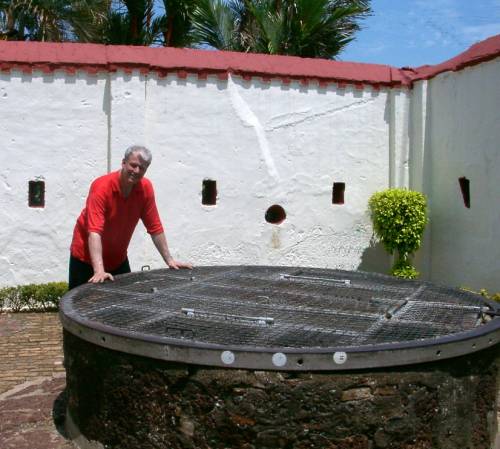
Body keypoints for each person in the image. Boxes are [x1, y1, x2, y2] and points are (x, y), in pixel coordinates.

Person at [69, 145, 192, 289]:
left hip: (118, 259)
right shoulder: (101, 187)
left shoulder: (145, 189)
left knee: (123, 306)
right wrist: (99, 271)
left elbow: (155, 227)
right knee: (80, 306)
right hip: (86, 259)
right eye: (133, 165)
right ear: (123, 163)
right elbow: (94, 231)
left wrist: (169, 260)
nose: (137, 171)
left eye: (142, 168)